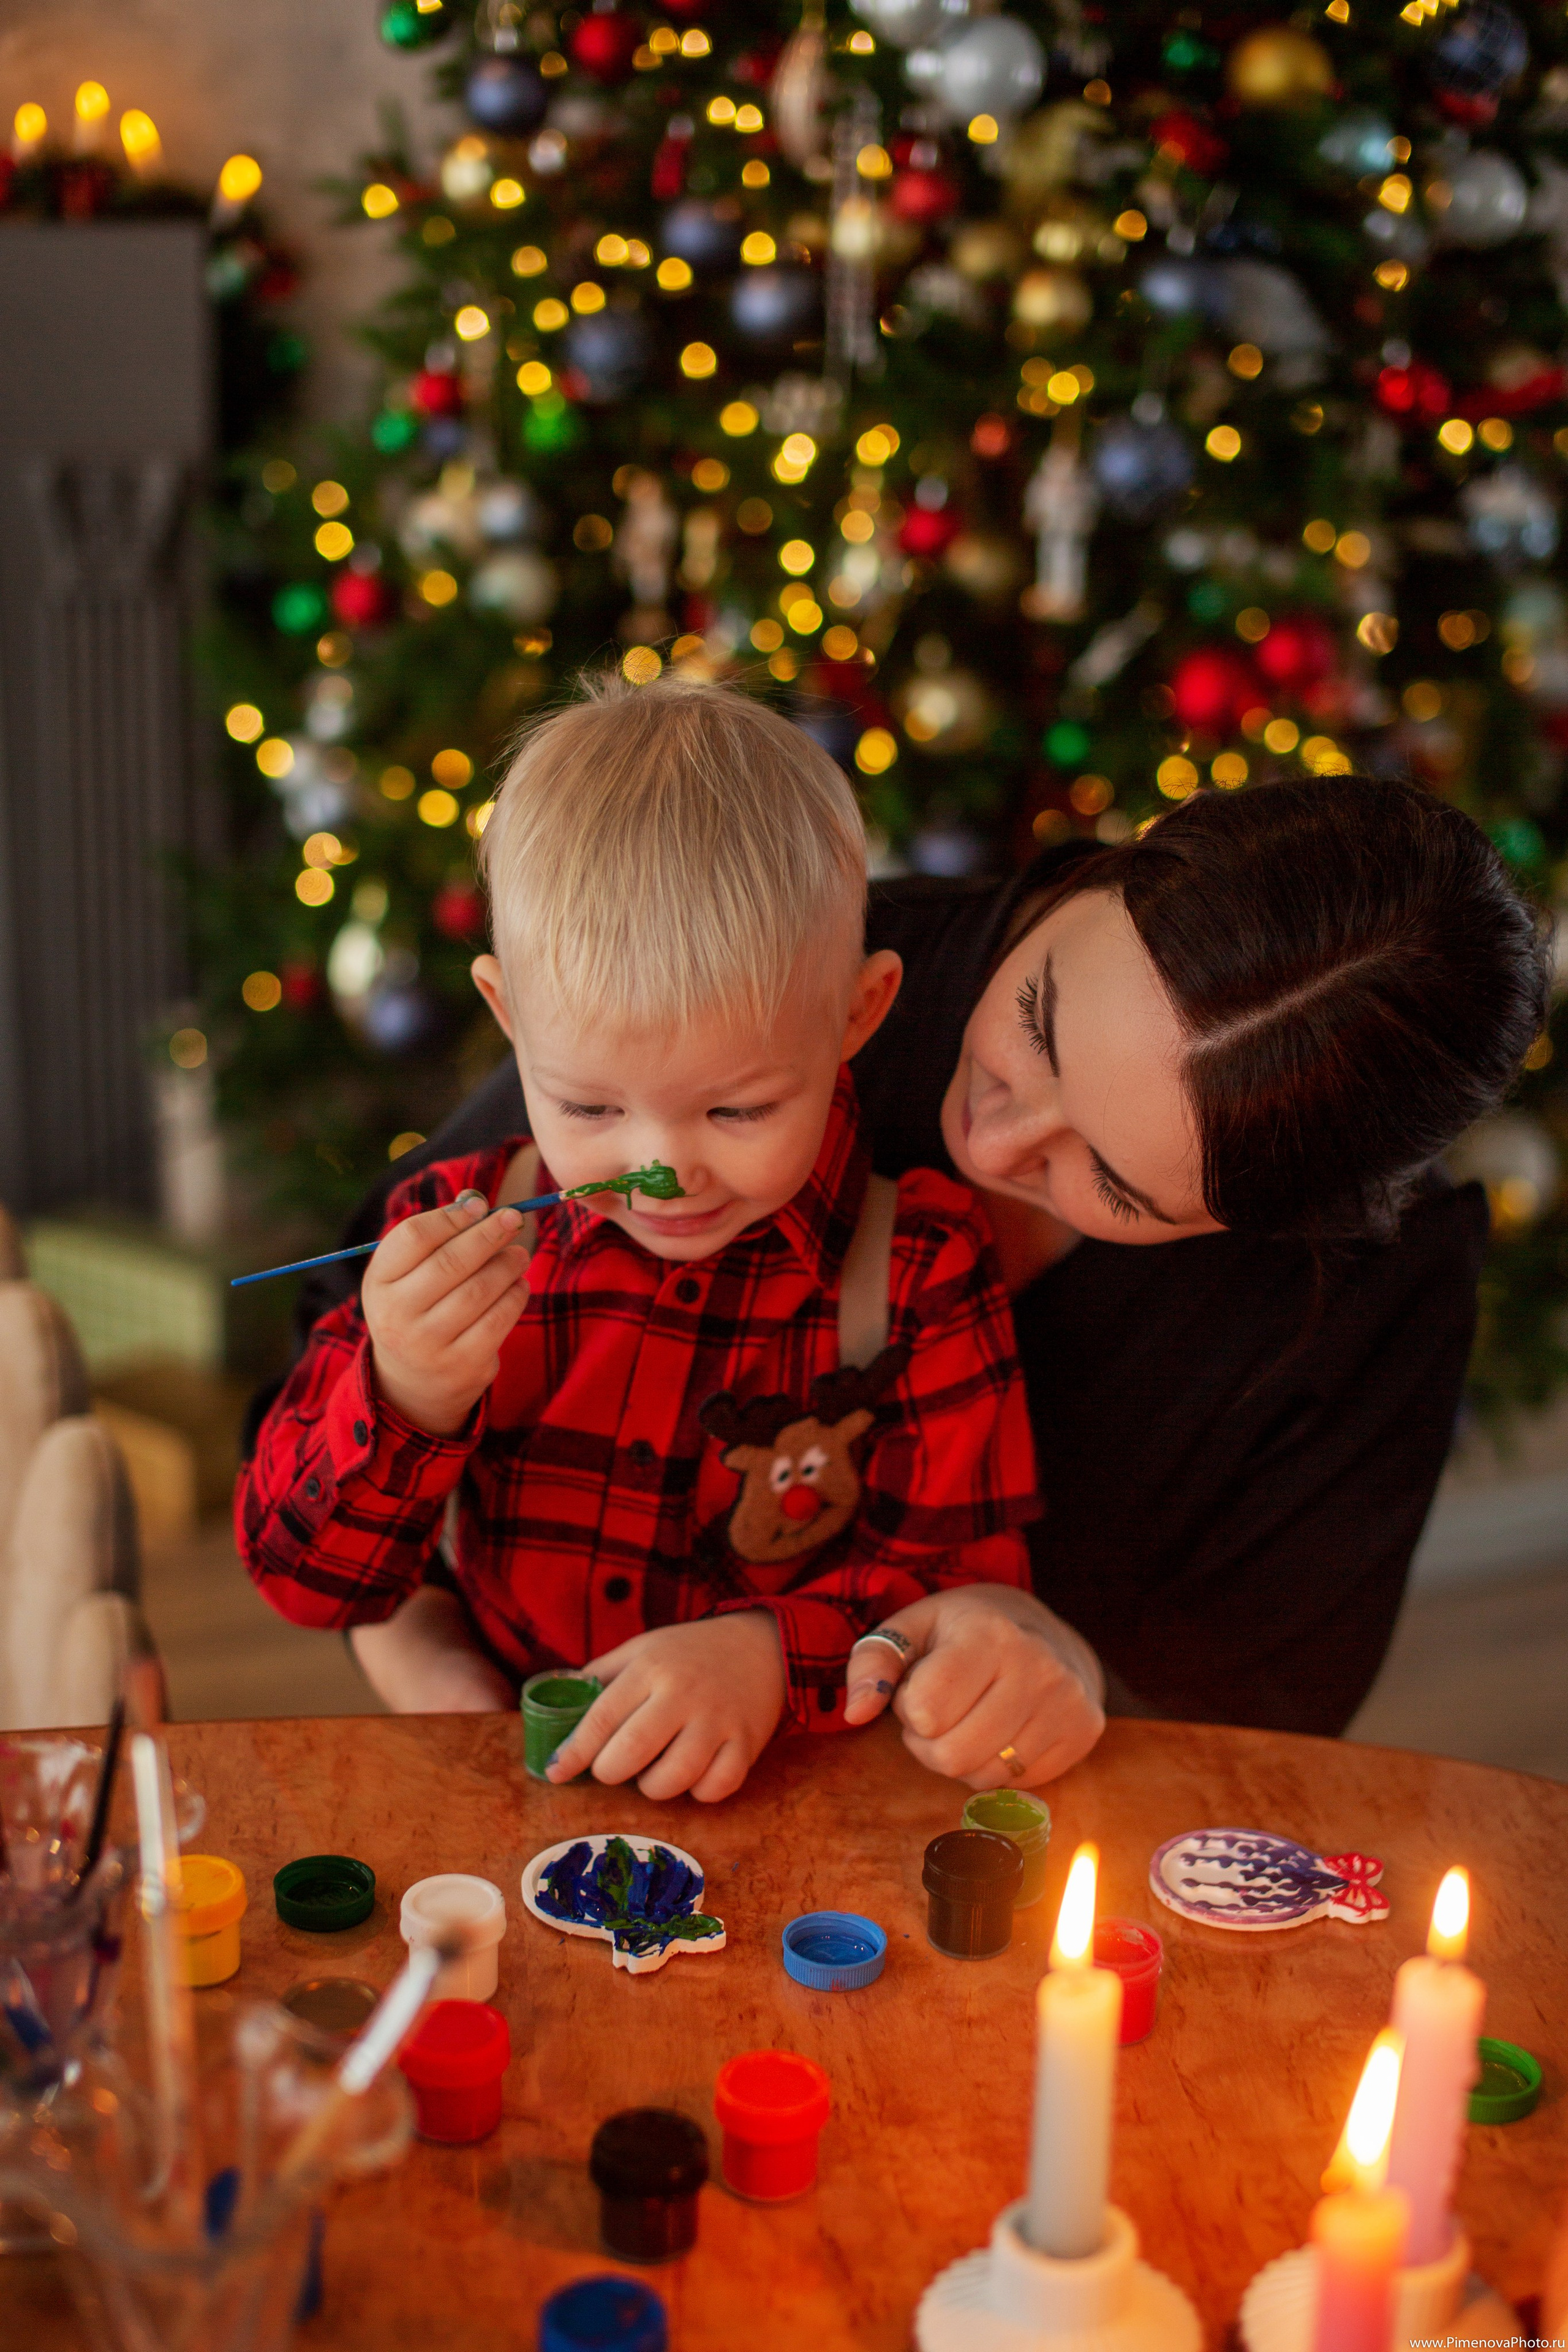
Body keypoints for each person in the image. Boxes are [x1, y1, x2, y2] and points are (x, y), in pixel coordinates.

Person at [274, 769, 1548, 1791]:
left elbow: (1248, 1733)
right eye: (1034, 1027)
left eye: (1114, 1185)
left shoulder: (1356, 1291)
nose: (987, 1148)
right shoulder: (777, 968)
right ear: (1109, 869)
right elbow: (326, 1375)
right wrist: (448, 1687)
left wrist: (1044, 1673)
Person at [236, 677, 1041, 1803]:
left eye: (737, 1110)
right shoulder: (453, 1239)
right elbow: (304, 1584)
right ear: (508, 1015)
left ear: (857, 1016)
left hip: (802, 1810)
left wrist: (772, 1655)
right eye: (591, 1109)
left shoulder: (921, 1268)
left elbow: (969, 1590)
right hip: (523, 1800)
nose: (659, 1169)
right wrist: (406, 1392)